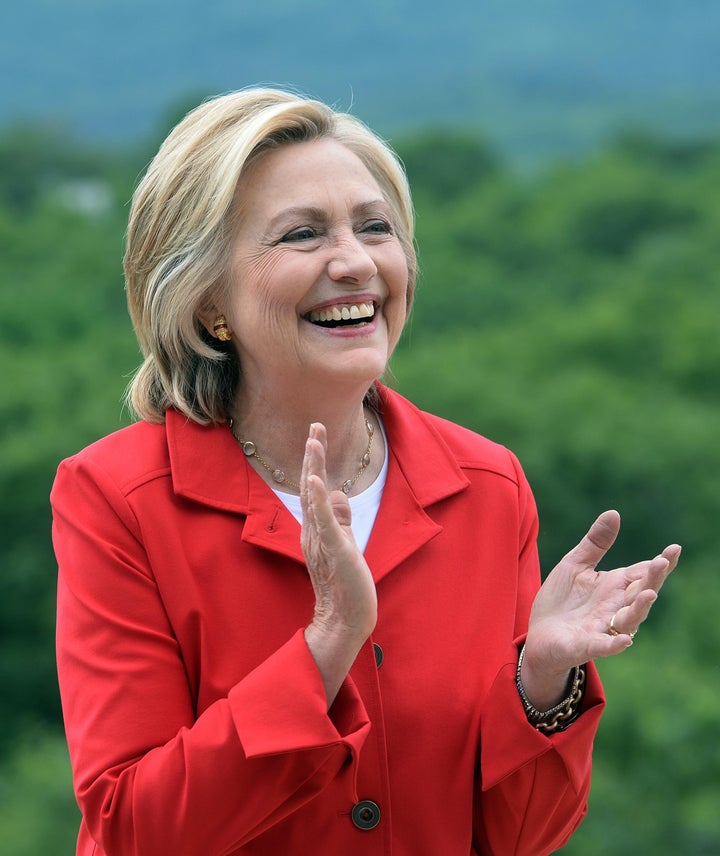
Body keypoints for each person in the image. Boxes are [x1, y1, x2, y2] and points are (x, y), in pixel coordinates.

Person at [51, 87, 680, 856]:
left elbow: (519, 838)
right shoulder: (117, 497)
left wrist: (541, 684)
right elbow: (130, 832)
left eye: (375, 227)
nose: (354, 262)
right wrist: (326, 647)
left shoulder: (488, 485)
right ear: (207, 298)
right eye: (302, 235)